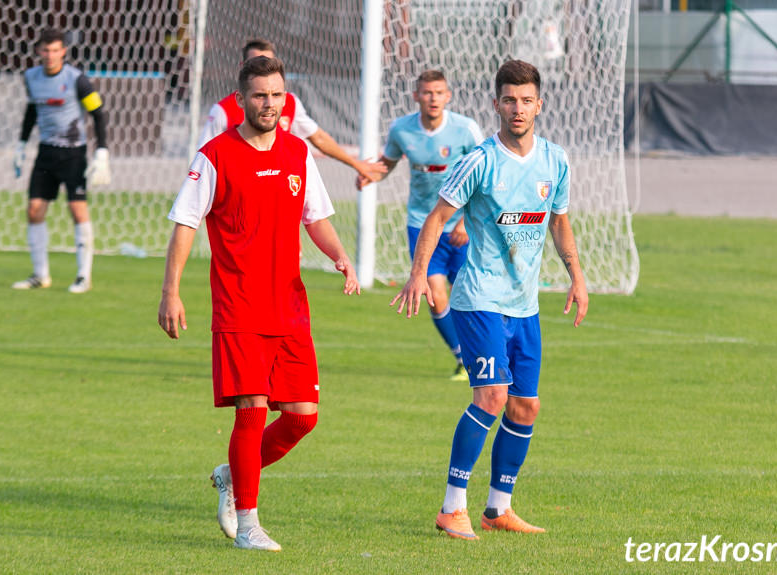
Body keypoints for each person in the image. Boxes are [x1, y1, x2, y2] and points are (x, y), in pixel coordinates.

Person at [158, 55, 360, 552]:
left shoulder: (296, 152)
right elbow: (185, 223)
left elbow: (315, 217)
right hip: (239, 305)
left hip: (290, 306)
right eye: (259, 96)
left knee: (302, 417)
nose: (269, 104)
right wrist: (171, 291)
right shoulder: (215, 156)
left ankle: (232, 473)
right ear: (241, 99)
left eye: (276, 95)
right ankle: (248, 524)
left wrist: (340, 256)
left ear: (285, 97)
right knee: (250, 411)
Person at [391, 60, 589, 540]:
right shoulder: (479, 160)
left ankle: (498, 509)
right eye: (508, 100)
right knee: (492, 397)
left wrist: (577, 278)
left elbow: (559, 221)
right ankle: (450, 506)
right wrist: (419, 274)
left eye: (526, 100)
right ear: (495, 104)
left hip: (525, 304)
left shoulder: (555, 160)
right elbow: (437, 218)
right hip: (479, 299)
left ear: (539, 105)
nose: (517, 109)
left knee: (526, 407)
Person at [357, 70, 483, 381]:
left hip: (462, 225)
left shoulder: (466, 130)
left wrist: (466, 221)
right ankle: (464, 360)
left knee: (472, 296)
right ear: (416, 96)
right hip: (422, 224)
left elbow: (484, 176)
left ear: (448, 96)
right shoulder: (402, 129)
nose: (433, 98)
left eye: (439, 92)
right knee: (435, 294)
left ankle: (486, 354)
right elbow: (389, 161)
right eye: (427, 93)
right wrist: (371, 174)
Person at [199, 38, 384, 184]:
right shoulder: (223, 110)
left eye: (268, 63)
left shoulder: (290, 102)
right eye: (255, 63)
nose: (269, 103)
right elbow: (204, 161)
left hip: (279, 191)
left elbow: (318, 138)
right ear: (243, 67)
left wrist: (355, 163)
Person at [12, 28, 111, 293]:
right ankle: (40, 275)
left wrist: (102, 151)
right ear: (38, 51)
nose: (50, 55)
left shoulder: (77, 79)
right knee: (34, 209)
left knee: (77, 210)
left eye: (56, 50)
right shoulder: (31, 77)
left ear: (63, 51)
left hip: (73, 154)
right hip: (46, 153)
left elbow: (98, 114)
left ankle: (83, 276)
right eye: (46, 50)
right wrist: (21, 144)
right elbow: (32, 110)